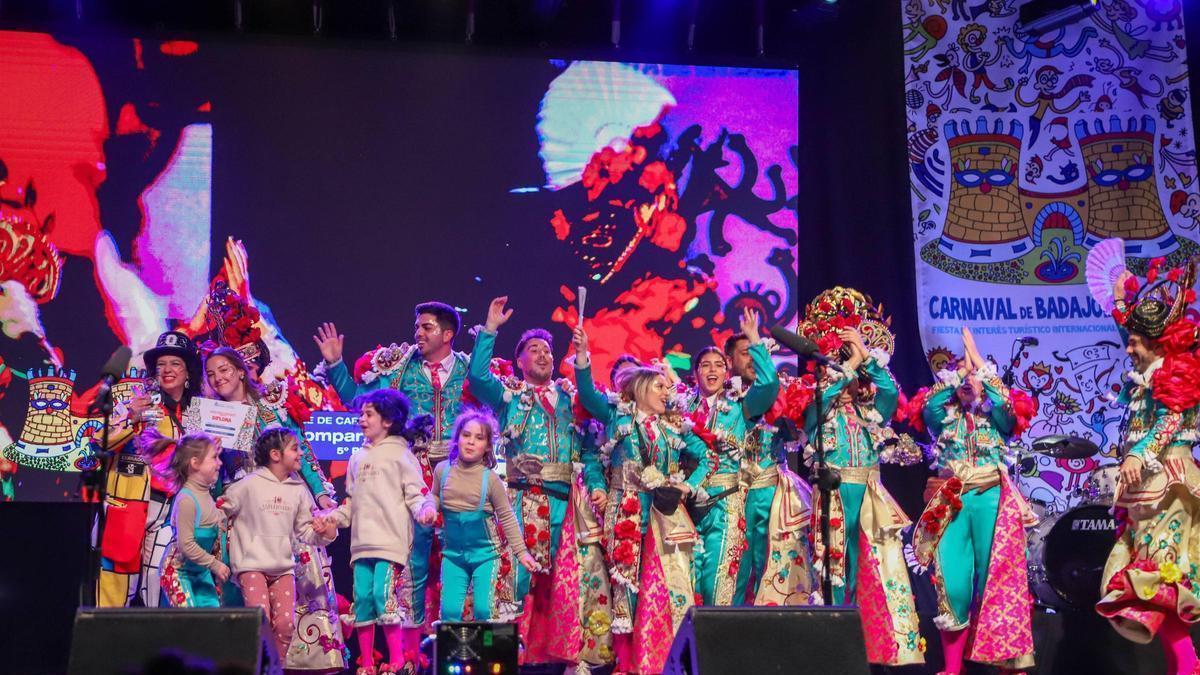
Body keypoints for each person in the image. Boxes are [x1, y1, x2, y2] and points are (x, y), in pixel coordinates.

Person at [315, 301, 470, 661]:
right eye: (417, 326)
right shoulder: (400, 367)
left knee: (458, 561)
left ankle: (458, 656)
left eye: (427, 327)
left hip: (458, 473)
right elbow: (361, 401)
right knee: (412, 565)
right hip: (413, 469)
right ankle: (410, 659)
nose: (418, 333)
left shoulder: (468, 370)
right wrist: (336, 365)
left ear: (447, 334)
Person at [467, 296, 612, 667]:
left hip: (568, 504)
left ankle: (568, 658)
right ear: (519, 361)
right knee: (513, 579)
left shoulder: (571, 399)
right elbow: (478, 379)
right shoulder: (510, 397)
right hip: (522, 501)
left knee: (572, 580)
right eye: (533, 349)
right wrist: (490, 329)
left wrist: (597, 485)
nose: (543, 355)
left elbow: (590, 453)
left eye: (547, 350)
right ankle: (499, 660)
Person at [575, 343, 709, 674]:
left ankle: (659, 658)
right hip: (626, 509)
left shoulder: (674, 426)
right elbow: (587, 394)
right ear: (640, 388)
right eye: (659, 386)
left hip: (664, 514)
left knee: (663, 584)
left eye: (667, 387)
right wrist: (582, 357)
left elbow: (707, 456)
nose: (666, 392)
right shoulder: (617, 416)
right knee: (626, 583)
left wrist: (687, 485)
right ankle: (627, 662)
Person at [1095, 263, 1200, 675]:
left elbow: (1169, 422)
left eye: (1136, 342)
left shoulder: (1176, 373)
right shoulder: (1150, 368)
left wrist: (1138, 454)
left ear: (1156, 344)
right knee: (1158, 583)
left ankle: (1187, 666)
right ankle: (1185, 666)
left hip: (1169, 483)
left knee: (1160, 579)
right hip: (1151, 487)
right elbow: (1131, 333)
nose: (1128, 348)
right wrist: (1120, 299)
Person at [912, 327, 1035, 674]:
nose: (967, 380)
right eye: (960, 375)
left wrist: (979, 364)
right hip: (952, 503)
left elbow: (1010, 409)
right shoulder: (942, 417)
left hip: (991, 500)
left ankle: (1009, 667)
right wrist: (958, 375)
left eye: (972, 376)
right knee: (952, 584)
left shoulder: (996, 417)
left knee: (998, 582)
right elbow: (929, 405)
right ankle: (953, 669)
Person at [801, 318, 923, 667]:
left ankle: (870, 647)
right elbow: (822, 398)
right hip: (834, 497)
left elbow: (889, 393)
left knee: (873, 569)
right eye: (833, 369)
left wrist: (864, 354)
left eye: (849, 372)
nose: (842, 376)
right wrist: (849, 364)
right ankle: (836, 648)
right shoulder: (816, 411)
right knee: (834, 568)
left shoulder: (871, 413)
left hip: (870, 498)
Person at [328, 389, 437, 675]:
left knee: (382, 596)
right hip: (361, 544)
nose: (361, 420)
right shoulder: (356, 458)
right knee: (363, 600)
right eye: (361, 414)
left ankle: (397, 660)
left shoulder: (401, 455)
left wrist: (425, 510)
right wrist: (331, 519)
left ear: (387, 420)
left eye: (368, 414)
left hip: (390, 544)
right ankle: (366, 663)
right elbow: (350, 504)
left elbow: (417, 493)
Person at [680, 308, 781, 606]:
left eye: (718, 365)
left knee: (719, 585)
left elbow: (769, 385)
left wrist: (755, 340)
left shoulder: (740, 407)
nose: (712, 370)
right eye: (704, 365)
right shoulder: (681, 409)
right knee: (688, 585)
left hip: (726, 504)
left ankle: (720, 636)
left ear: (727, 372)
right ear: (695, 373)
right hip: (685, 507)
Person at [98, 330, 203, 608]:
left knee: (159, 587)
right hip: (127, 506)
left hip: (169, 514)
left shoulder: (197, 414)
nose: (167, 370)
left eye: (175, 363)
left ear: (188, 372)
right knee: (115, 590)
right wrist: (131, 418)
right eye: (161, 364)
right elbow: (99, 441)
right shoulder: (138, 402)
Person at [220, 428, 338, 657]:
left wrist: (326, 533)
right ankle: (257, 667)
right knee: (259, 621)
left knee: (286, 625)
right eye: (295, 449)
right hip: (251, 566)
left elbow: (305, 532)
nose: (301, 453)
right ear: (275, 455)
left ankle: (275, 668)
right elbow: (221, 511)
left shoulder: (298, 491)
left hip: (283, 568)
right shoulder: (247, 485)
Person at [429, 408, 538, 621]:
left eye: (479, 438)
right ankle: (456, 645)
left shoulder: (491, 480)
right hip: (453, 556)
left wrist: (522, 553)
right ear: (457, 438)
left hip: (486, 556)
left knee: (484, 611)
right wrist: (428, 508)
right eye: (466, 435)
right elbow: (433, 496)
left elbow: (507, 517)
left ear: (488, 446)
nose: (471, 442)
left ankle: (487, 644)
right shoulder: (442, 470)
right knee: (449, 612)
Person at [155, 431, 227, 608]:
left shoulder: (208, 497)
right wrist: (215, 564)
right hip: (178, 573)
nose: (220, 463)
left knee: (212, 617)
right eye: (214, 457)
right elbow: (186, 545)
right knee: (190, 620)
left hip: (200, 572)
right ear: (195, 463)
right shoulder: (186, 500)